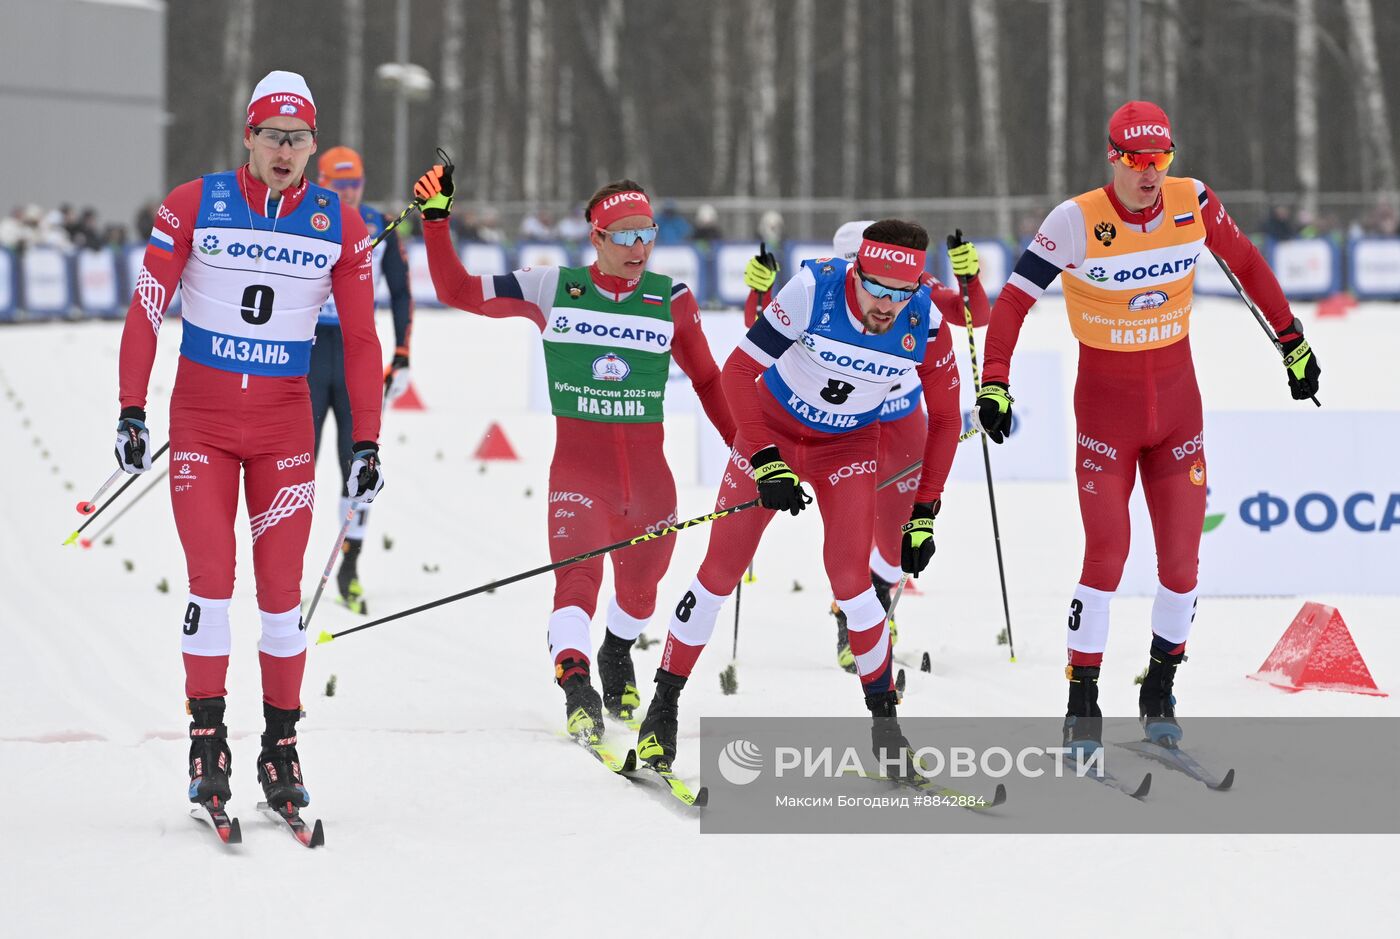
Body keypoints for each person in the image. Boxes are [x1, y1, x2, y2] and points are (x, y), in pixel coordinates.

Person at [975, 101, 1322, 755]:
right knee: (1107, 555)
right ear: (1113, 158)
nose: (1149, 174)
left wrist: (1292, 341)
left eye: (1160, 159)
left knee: (1184, 564)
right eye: (1136, 161)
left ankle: (1159, 688)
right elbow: (1016, 299)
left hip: (1177, 414)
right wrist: (995, 380)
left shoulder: (1193, 203)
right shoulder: (1076, 221)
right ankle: (1082, 700)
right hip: (1106, 419)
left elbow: (1246, 264)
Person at [114, 70, 385, 815]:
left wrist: (366, 441)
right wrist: (131, 408)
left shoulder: (341, 222)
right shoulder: (194, 202)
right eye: (274, 136)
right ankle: (208, 740)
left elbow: (361, 339)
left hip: (283, 430)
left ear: (313, 144)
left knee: (278, 596)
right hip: (202, 422)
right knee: (209, 580)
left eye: (299, 138)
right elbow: (147, 307)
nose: (286, 150)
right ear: (250, 136)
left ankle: (281, 746)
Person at [412, 163, 736, 742]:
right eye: (626, 235)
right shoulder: (552, 287)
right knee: (576, 587)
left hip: (651, 484)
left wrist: (748, 451)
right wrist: (437, 222)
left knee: (640, 598)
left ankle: (615, 653)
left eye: (648, 233)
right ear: (597, 237)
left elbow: (710, 382)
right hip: (579, 477)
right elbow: (456, 290)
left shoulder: (673, 298)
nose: (640, 246)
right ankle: (578, 685)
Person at [636, 219, 963, 775]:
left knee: (853, 584)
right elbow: (738, 372)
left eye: (900, 292)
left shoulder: (926, 322)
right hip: (775, 433)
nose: (886, 305)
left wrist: (925, 512)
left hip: (849, 445)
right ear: (856, 272)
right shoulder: (813, 291)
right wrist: (764, 457)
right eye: (876, 288)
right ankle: (661, 710)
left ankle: (886, 728)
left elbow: (947, 419)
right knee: (719, 571)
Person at [744, 224, 990, 669]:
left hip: (899, 418)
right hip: (845, 428)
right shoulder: (824, 288)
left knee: (899, 537)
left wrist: (968, 277)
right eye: (864, 275)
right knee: (848, 539)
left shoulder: (907, 285)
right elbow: (761, 339)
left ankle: (876, 595)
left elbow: (970, 313)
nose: (882, 296)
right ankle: (852, 613)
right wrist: (757, 293)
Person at [311, 145, 415, 615]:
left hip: (357, 358)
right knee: (295, 466)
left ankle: (349, 566)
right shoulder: (301, 217)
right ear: (322, 181)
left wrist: (402, 352)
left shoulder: (381, 225)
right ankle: (284, 567)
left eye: (355, 184)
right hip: (306, 357)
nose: (348, 193)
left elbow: (400, 293)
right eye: (339, 184)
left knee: (357, 466)